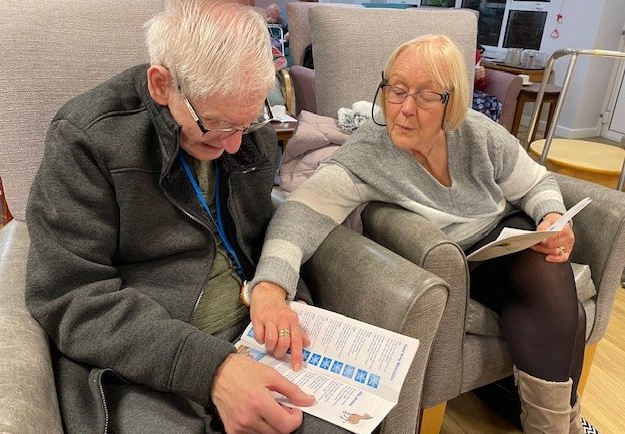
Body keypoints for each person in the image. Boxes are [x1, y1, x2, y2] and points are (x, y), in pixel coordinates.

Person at [247, 34, 599, 434]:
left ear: (451, 102)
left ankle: (560, 426)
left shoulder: (478, 133)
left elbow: (536, 183)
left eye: (426, 96)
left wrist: (552, 215)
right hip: (458, 260)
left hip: (507, 234)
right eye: (396, 90)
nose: (405, 109)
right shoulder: (370, 152)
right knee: (552, 286)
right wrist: (271, 286)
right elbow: (300, 213)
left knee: (555, 282)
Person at [25, 1, 347, 433]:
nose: (236, 146)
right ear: (161, 85)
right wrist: (213, 370)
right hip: (146, 357)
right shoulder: (86, 140)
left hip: (250, 333)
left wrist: (280, 290)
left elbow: (259, 235)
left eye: (248, 122)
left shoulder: (247, 134)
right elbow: (70, 296)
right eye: (217, 126)